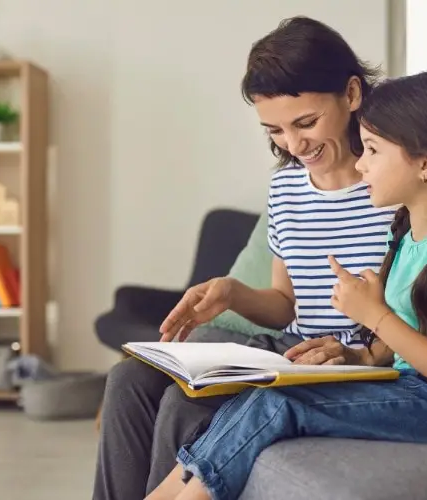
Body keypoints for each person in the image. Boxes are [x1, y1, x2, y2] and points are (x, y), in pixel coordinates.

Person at [145, 67, 427, 500]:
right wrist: (359, 354)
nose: (360, 163)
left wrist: (375, 316)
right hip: (419, 391)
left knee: (279, 405)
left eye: (373, 151)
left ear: (424, 163)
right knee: (262, 394)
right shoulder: (407, 234)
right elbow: (403, 346)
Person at [93, 16, 398, 499]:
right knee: (128, 378)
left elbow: (416, 311)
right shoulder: (286, 187)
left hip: (346, 363)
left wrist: (361, 351)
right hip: (289, 349)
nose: (293, 146)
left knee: (183, 405)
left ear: (353, 94)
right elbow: (285, 303)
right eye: (274, 129)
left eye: (306, 123)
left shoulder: (395, 185)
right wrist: (233, 293)